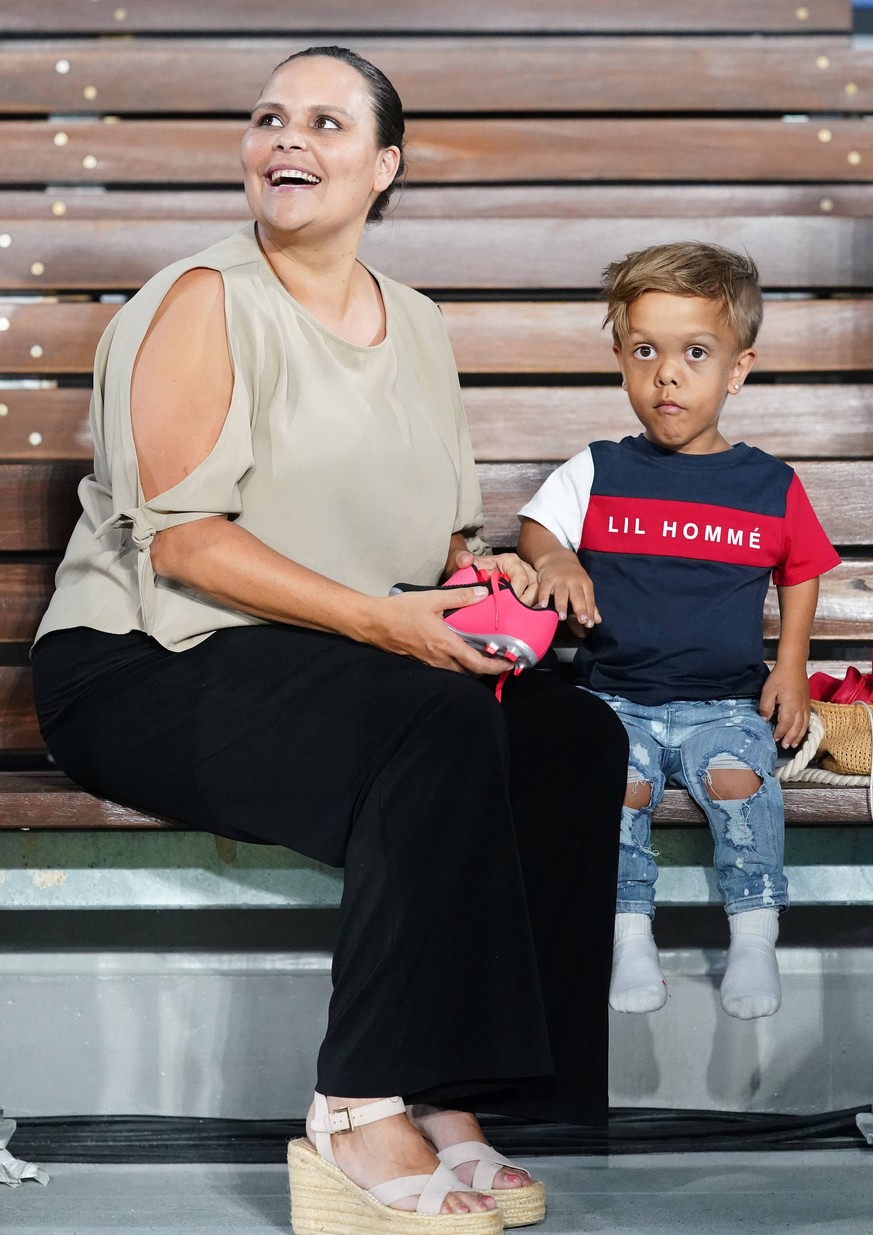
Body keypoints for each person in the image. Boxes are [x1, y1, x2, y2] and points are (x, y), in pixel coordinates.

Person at [30, 46, 628, 1234]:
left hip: (328, 654)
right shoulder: (202, 297)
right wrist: (388, 622)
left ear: (384, 166)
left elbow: (430, 538)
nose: (286, 140)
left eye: (324, 122)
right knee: (437, 722)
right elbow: (188, 546)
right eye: (268, 119)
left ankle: (465, 1095)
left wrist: (482, 577)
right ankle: (356, 1109)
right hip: (146, 658)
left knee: (570, 734)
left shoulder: (413, 321)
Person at [518, 242, 840, 1023]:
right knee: (614, 786)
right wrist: (556, 557)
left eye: (695, 352)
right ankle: (628, 933)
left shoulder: (767, 483)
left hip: (724, 701)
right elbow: (535, 527)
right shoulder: (596, 469)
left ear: (737, 368)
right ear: (621, 361)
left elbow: (800, 569)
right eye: (645, 351)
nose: (667, 373)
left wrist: (789, 665)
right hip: (612, 699)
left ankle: (754, 934)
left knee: (740, 781)